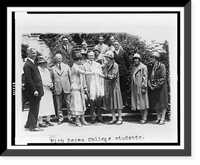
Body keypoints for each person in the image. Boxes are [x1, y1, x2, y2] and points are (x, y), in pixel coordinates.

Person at [70, 53, 94, 127]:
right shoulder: (74, 67)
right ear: (76, 60)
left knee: (82, 104)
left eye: (80, 59)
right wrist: (92, 73)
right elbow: (82, 72)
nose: (80, 61)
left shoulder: (79, 66)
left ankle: (83, 120)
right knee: (77, 105)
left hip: (80, 88)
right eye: (79, 60)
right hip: (75, 88)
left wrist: (84, 87)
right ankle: (77, 121)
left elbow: (82, 77)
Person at [23, 47, 44, 131]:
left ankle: (28, 124)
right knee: (34, 108)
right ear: (28, 54)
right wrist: (34, 90)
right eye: (33, 53)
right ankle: (33, 126)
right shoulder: (27, 65)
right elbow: (28, 80)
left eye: (35, 53)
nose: (35, 55)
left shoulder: (32, 63)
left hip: (37, 89)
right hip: (34, 91)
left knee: (34, 107)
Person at [102, 51, 124, 125]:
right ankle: (113, 118)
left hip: (115, 85)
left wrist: (105, 76)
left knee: (117, 101)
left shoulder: (115, 65)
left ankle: (120, 118)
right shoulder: (106, 65)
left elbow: (113, 76)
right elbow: (103, 72)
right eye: (106, 57)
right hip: (109, 86)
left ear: (111, 58)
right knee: (111, 102)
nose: (106, 59)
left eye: (107, 57)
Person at [83, 51, 105, 124]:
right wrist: (85, 86)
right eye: (90, 56)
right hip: (89, 85)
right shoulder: (84, 65)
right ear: (87, 56)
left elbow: (101, 75)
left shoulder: (98, 64)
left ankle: (100, 117)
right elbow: (83, 76)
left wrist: (101, 86)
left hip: (97, 85)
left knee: (98, 102)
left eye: (92, 56)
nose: (91, 57)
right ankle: (93, 117)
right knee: (91, 102)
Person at [148, 52, 168, 125]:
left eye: (152, 58)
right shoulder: (152, 66)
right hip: (154, 87)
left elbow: (162, 78)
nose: (151, 59)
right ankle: (158, 118)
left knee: (162, 102)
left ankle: (163, 118)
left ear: (156, 59)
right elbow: (150, 76)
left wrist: (156, 86)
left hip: (161, 87)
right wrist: (150, 85)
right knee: (156, 102)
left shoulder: (162, 66)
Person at [51, 53, 72, 125]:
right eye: (57, 58)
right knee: (59, 104)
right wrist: (53, 87)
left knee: (68, 103)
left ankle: (70, 117)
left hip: (66, 87)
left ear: (62, 59)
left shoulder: (67, 67)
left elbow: (70, 78)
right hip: (58, 88)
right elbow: (52, 79)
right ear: (55, 59)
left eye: (60, 58)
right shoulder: (53, 68)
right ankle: (60, 118)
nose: (59, 60)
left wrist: (71, 86)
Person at [131, 53, 149, 124]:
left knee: (144, 102)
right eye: (134, 59)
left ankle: (145, 118)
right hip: (135, 87)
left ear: (139, 59)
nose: (135, 60)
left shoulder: (143, 67)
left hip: (141, 87)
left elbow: (145, 77)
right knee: (139, 103)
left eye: (137, 59)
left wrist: (144, 87)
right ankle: (142, 117)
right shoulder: (134, 67)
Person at [37, 56, 55, 127]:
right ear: (40, 64)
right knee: (42, 105)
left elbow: (49, 79)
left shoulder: (47, 70)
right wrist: (46, 84)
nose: (45, 64)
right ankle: (40, 121)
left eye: (45, 62)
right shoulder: (38, 70)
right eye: (43, 63)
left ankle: (48, 120)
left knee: (49, 104)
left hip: (48, 90)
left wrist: (51, 84)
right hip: (42, 89)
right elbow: (39, 81)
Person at [113, 41, 130, 107]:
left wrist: (126, 70)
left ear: (119, 45)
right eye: (115, 45)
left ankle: (125, 101)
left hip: (123, 72)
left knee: (124, 87)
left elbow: (127, 62)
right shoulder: (113, 53)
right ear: (114, 46)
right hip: (116, 72)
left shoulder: (123, 52)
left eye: (117, 44)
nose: (116, 46)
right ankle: (119, 102)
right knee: (118, 87)